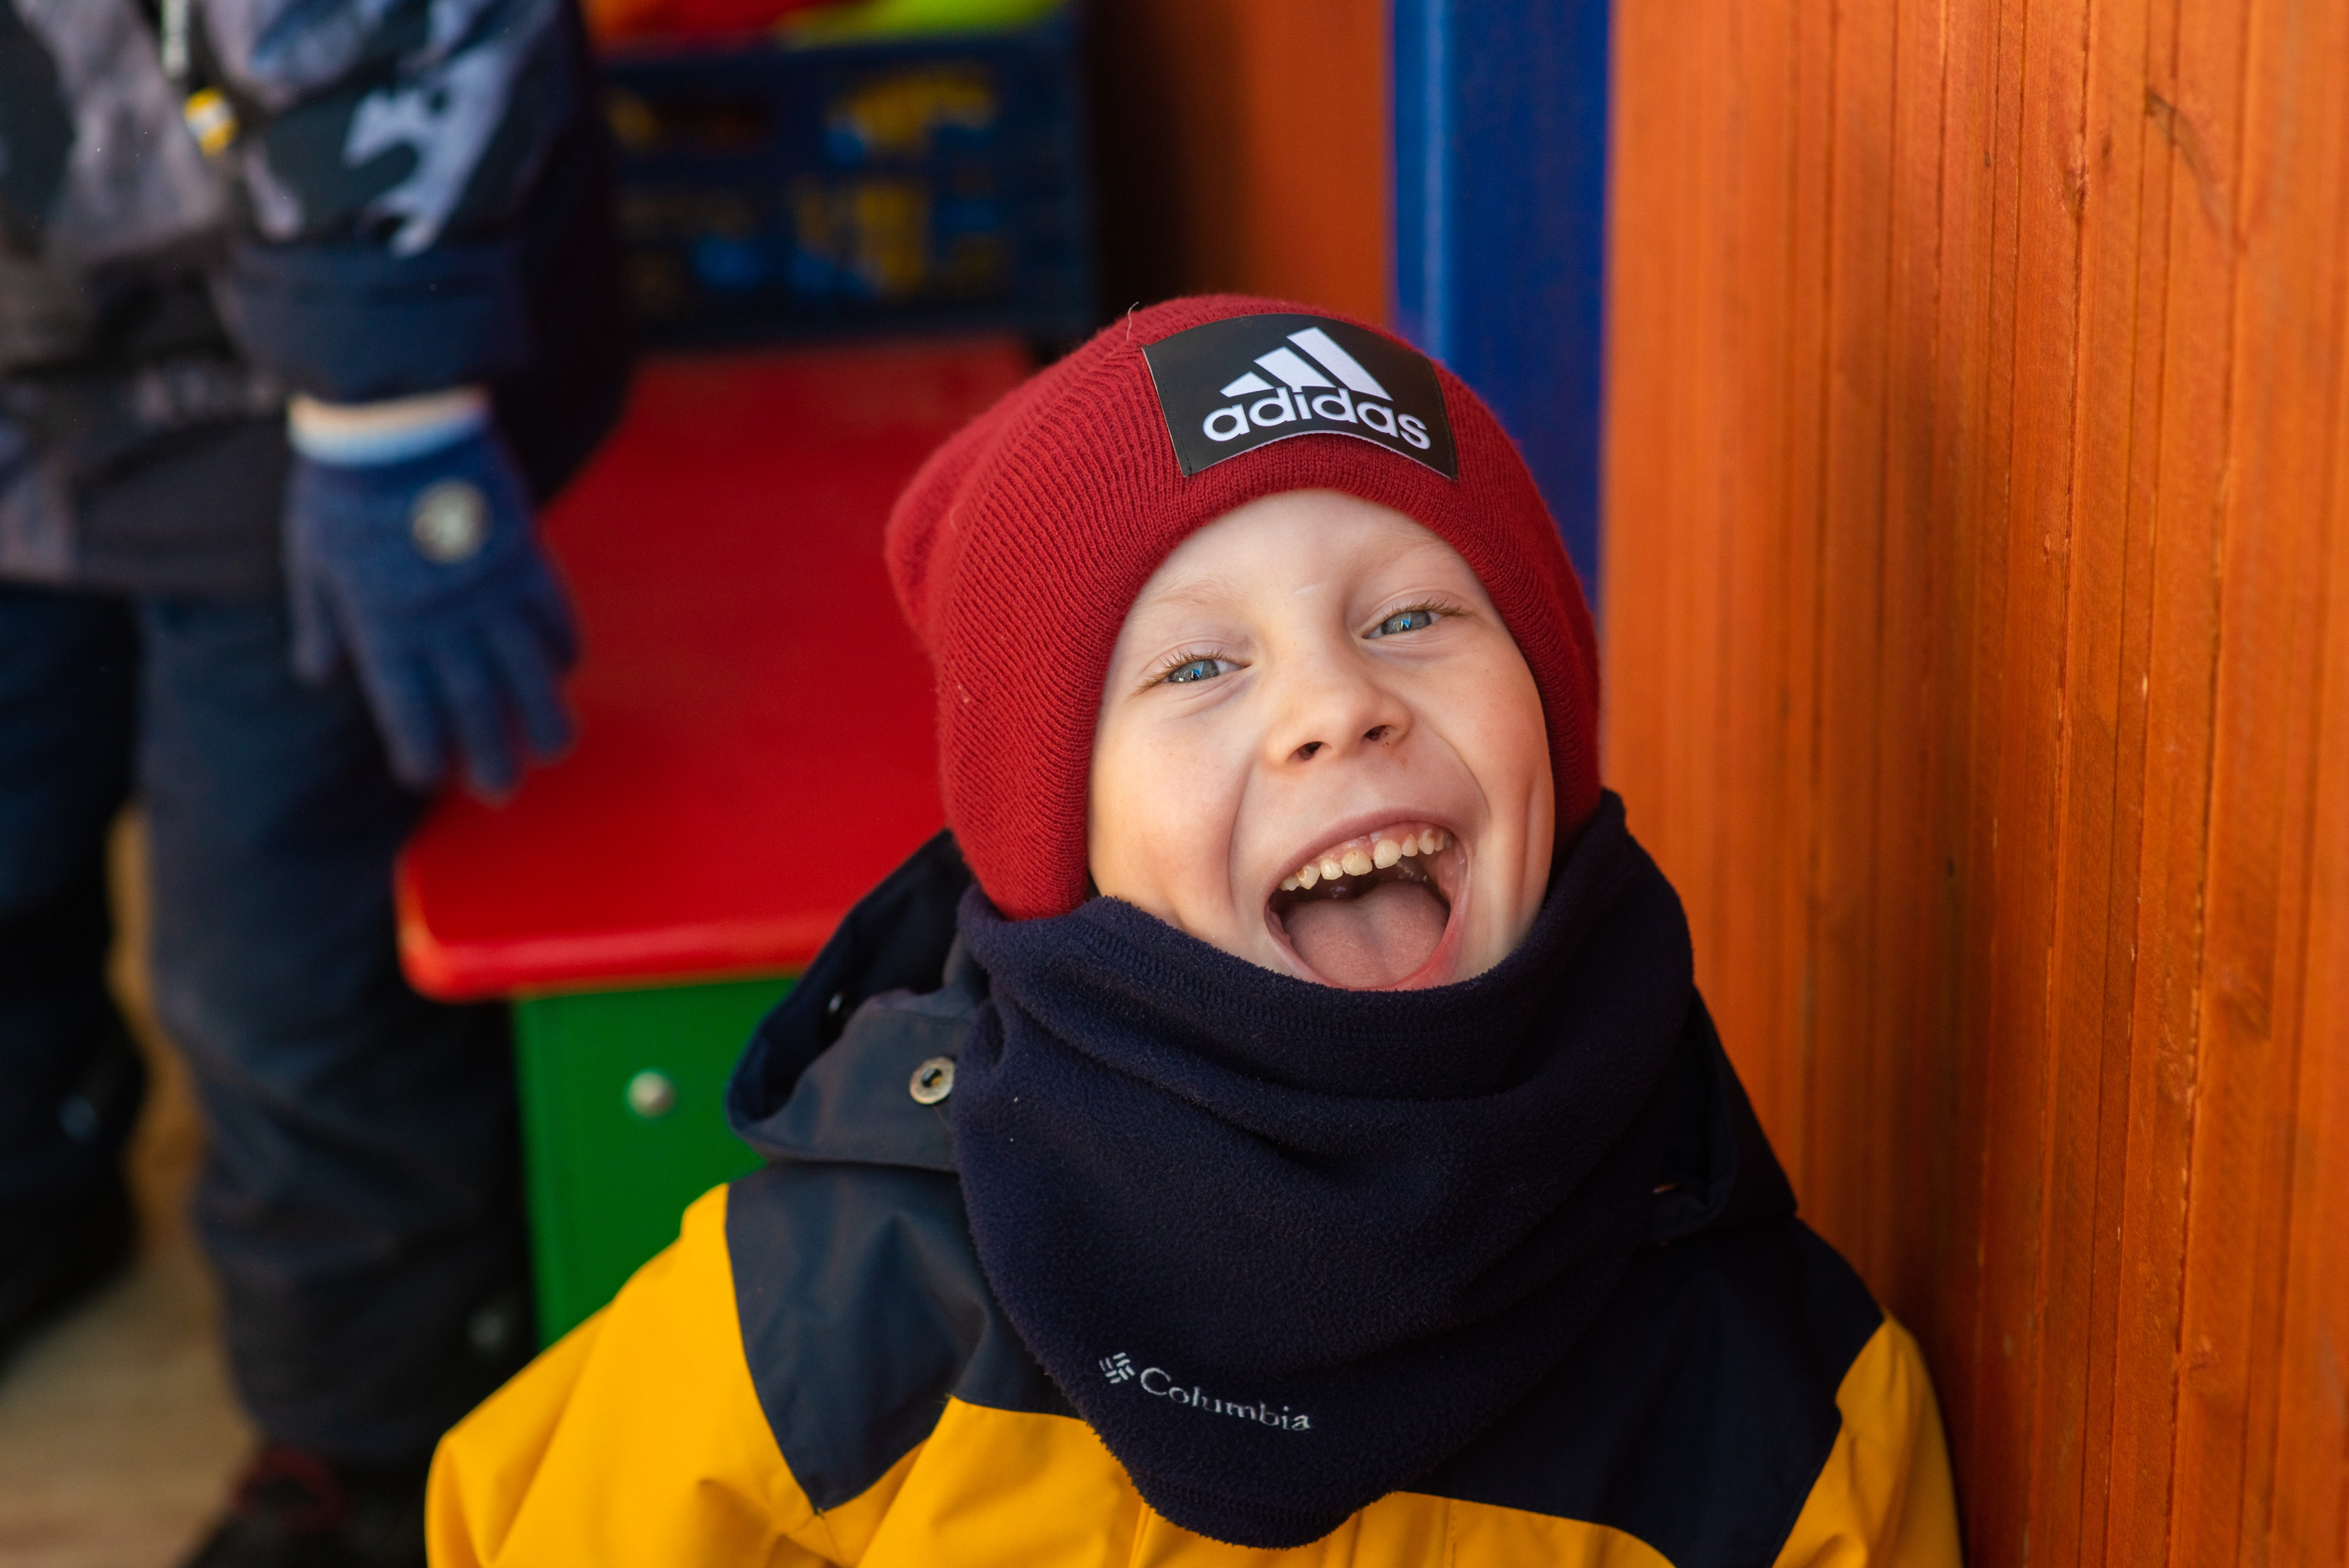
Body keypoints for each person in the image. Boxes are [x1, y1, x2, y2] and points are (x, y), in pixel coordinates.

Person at [423, 295, 1960, 1566]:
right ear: (1059, 837)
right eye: (1199, 667)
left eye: (1413, 616)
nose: (1336, 702)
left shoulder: (1783, 1407)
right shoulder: (826, 1317)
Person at [0, 2, 629, 1563]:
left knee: (272, 956)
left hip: (293, 372)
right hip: (29, 348)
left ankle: (381, 1423)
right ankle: (37, 1182)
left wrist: (388, 403)